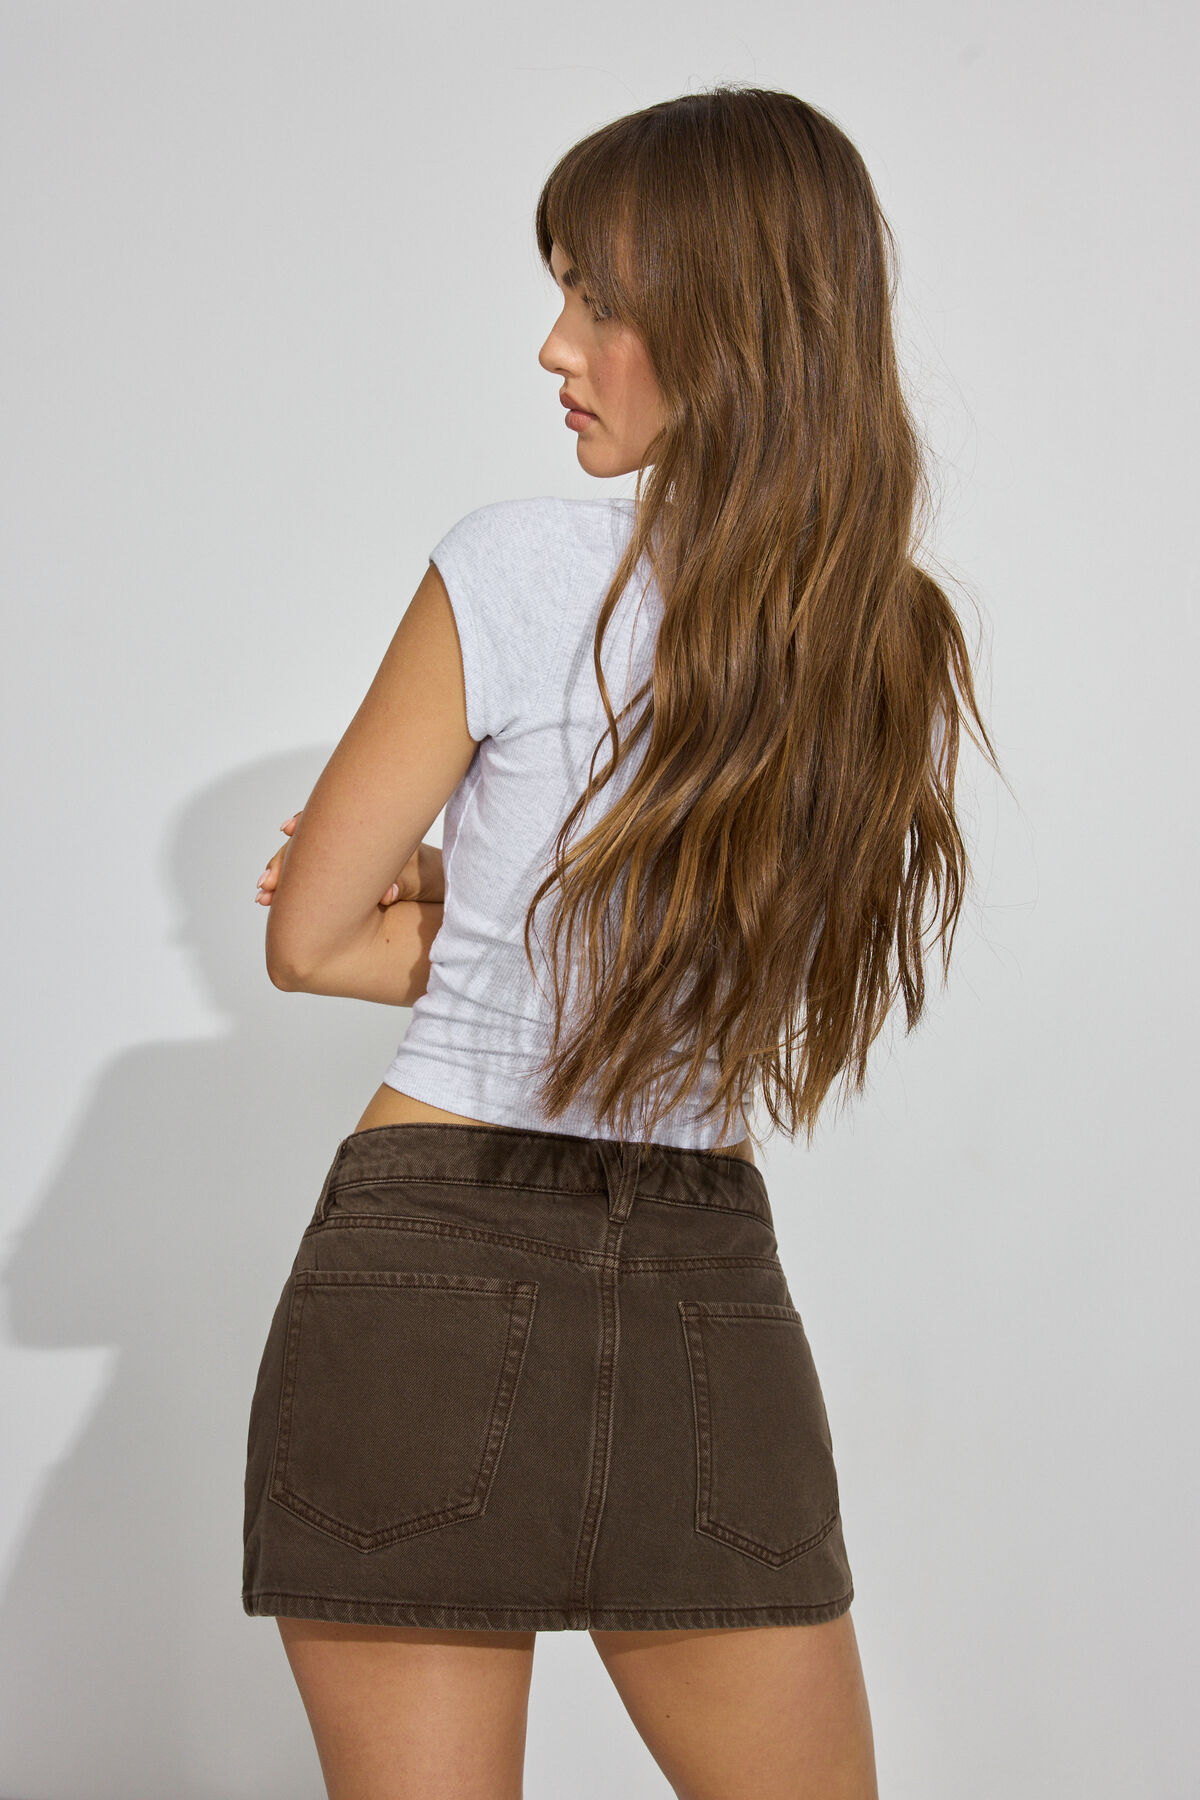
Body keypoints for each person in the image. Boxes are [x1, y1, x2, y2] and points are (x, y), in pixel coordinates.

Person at [241, 83, 998, 1800]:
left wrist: (449, 897)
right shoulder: (884, 639)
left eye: (598, 299)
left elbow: (308, 938)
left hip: (432, 1259)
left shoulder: (515, 567)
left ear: (733, 322)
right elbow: (686, 973)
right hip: (702, 1282)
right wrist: (498, 904)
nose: (555, 345)